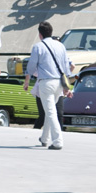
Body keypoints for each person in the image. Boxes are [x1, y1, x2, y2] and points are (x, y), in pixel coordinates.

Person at [24, 21, 73, 150]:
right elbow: (65, 66)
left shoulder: (38, 47)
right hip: (59, 82)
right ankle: (45, 138)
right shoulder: (60, 46)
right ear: (51, 32)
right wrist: (67, 86)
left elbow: (31, 66)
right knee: (49, 111)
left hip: (46, 82)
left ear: (40, 34)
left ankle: (57, 141)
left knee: (50, 112)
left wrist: (28, 76)